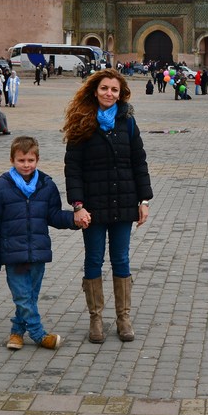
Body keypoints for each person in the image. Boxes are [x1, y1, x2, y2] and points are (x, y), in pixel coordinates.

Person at [63, 69, 154, 343]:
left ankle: (123, 318)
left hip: (124, 202)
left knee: (121, 259)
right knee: (93, 259)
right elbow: (73, 168)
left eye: (114, 90)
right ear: (95, 90)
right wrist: (77, 205)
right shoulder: (82, 121)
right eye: (104, 88)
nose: (109, 94)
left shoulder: (127, 122)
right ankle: (96, 319)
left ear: (120, 93)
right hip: (92, 205)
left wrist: (144, 200)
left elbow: (139, 161)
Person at [0, 135, 85, 351]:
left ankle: (17, 332)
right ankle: (39, 335)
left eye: (30, 160)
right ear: (12, 160)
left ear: (37, 160)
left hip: (38, 252)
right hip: (14, 254)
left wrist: (74, 220)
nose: (26, 165)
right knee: (22, 296)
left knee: (29, 297)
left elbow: (53, 216)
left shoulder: (46, 186)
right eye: (21, 160)